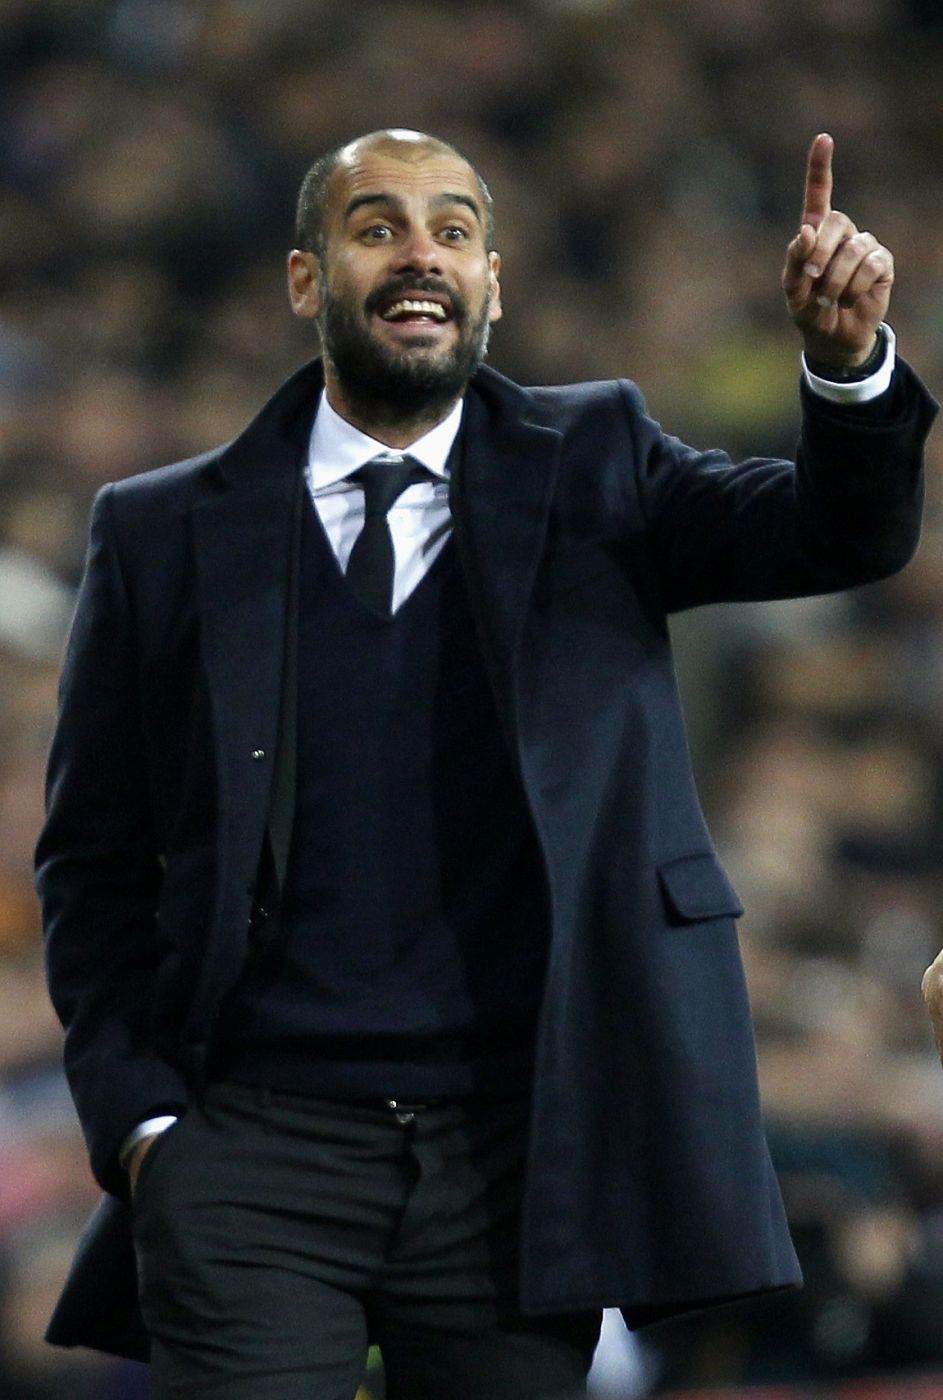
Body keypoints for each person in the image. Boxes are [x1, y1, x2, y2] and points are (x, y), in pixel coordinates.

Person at [37, 127, 936, 1400]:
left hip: (518, 1153)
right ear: (307, 279)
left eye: (454, 231)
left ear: (494, 285)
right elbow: (92, 860)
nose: (420, 256)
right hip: (252, 1148)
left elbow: (834, 532)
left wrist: (846, 372)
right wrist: (145, 1129)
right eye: (378, 226)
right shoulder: (160, 528)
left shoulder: (600, 459)